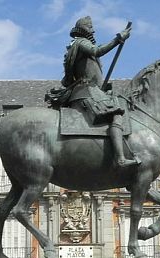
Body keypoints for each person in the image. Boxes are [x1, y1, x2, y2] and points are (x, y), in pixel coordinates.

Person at [47, 16, 139, 170]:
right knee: (116, 115)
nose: (93, 30)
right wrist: (118, 38)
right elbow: (97, 51)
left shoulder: (75, 46)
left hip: (88, 89)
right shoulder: (81, 43)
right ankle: (120, 158)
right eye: (90, 27)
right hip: (87, 91)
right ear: (83, 29)